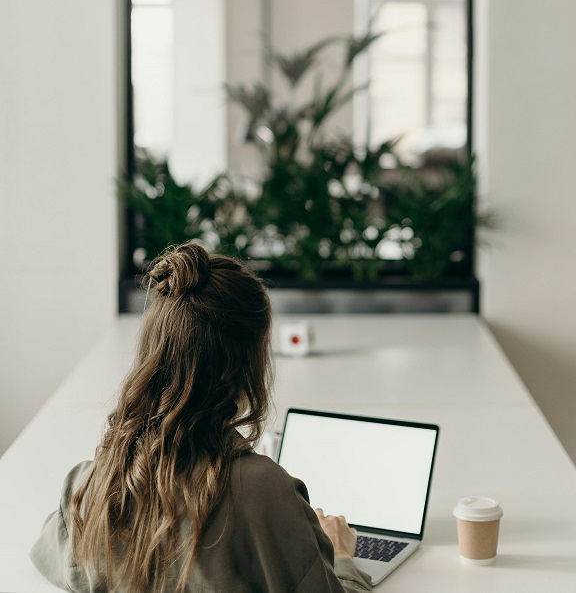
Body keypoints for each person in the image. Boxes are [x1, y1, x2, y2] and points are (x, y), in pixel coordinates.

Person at [30, 242, 372, 593]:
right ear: (249, 366)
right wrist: (343, 557)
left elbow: (53, 556)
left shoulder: (92, 486)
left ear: (153, 353)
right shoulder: (264, 495)